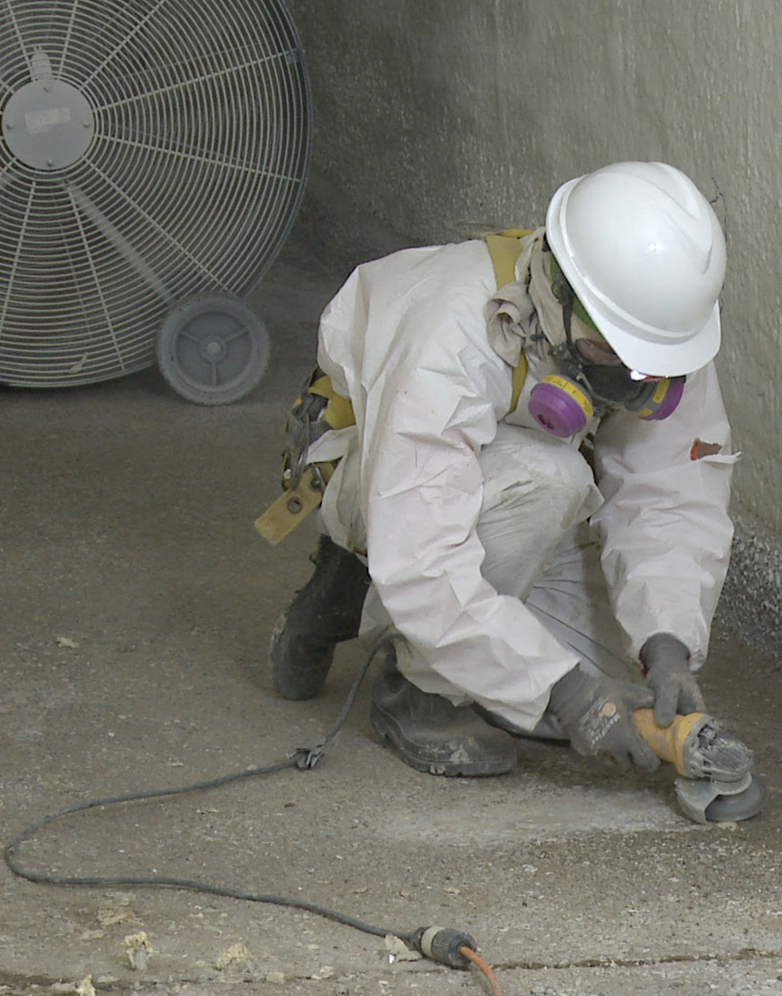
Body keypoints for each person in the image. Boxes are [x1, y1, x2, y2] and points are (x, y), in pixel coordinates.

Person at [265, 161, 735, 777]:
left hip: (506, 491)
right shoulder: (448, 332)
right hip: (374, 469)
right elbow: (426, 557)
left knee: (613, 695)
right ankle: (417, 688)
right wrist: (564, 693)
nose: (625, 382)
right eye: (604, 355)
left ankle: (352, 593)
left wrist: (665, 643)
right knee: (550, 487)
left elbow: (671, 496)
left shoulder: (658, 333)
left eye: (642, 365)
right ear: (560, 296)